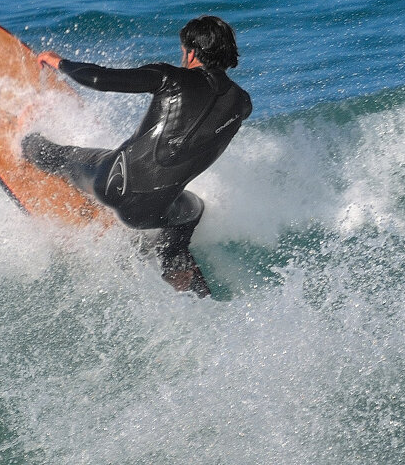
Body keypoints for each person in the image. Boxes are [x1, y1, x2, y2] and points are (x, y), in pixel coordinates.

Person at [23, 15, 251, 298]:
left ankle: (27, 143)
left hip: (113, 186)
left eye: (183, 50)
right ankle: (174, 263)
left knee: (68, 158)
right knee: (193, 210)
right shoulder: (242, 104)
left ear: (191, 52)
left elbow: (99, 79)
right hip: (153, 214)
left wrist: (60, 63)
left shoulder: (170, 78)